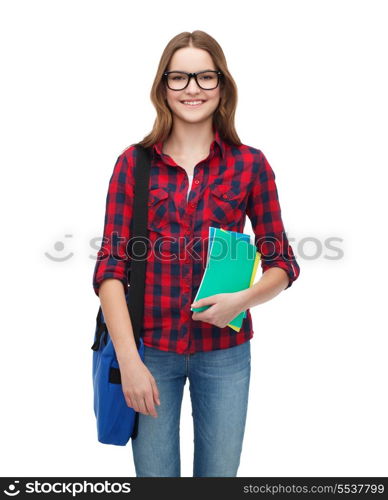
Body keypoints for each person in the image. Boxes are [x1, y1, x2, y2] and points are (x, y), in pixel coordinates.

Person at [92, 30, 300, 477]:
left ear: (222, 86)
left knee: (219, 479)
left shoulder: (251, 165)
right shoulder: (134, 163)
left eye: (205, 77)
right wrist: (129, 362)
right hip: (150, 352)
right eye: (180, 77)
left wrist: (240, 301)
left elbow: (282, 261)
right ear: (163, 87)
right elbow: (110, 269)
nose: (192, 89)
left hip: (225, 354)